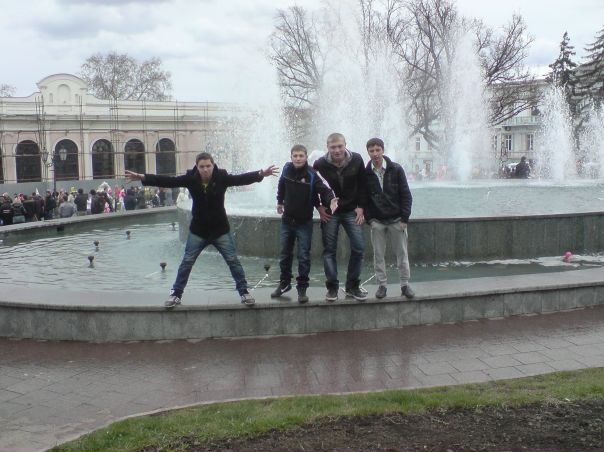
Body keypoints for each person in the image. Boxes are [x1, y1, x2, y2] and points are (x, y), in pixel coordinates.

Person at [126, 152, 279, 307]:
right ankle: (176, 294)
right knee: (187, 262)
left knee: (233, 261)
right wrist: (143, 177)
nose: (205, 169)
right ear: (197, 167)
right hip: (198, 231)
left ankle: (244, 292)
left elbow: (240, 179)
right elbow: (169, 181)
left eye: (208, 166)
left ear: (213, 165)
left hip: (220, 230)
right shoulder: (190, 178)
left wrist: (260, 174)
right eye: (202, 167)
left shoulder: (222, 177)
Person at [272, 144, 338, 303]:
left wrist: (331, 200)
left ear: (306, 157)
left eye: (301, 156)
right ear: (291, 157)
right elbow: (281, 185)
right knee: (284, 254)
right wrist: (280, 201)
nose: (298, 158)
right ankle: (284, 283)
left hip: (304, 223)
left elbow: (324, 189)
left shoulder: (312, 173)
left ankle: (302, 288)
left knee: (303, 256)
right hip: (287, 221)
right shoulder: (286, 168)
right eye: (295, 156)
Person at [313, 132, 367, 301]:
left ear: (345, 145)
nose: (337, 150)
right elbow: (314, 187)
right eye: (333, 147)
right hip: (331, 213)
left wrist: (361, 207)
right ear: (327, 148)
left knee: (359, 247)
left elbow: (363, 185)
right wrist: (319, 207)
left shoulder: (357, 159)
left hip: (352, 211)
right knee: (329, 250)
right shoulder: (320, 163)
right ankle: (332, 288)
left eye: (340, 146)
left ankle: (352, 286)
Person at [364, 138, 415, 300]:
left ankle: (405, 285)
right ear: (368, 152)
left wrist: (404, 219)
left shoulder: (396, 169)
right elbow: (364, 198)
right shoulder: (365, 173)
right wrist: (370, 220)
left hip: (397, 220)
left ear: (383, 150)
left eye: (377, 150)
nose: (375, 154)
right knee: (378, 255)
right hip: (377, 222)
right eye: (371, 151)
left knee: (402, 254)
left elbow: (406, 195)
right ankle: (382, 285)